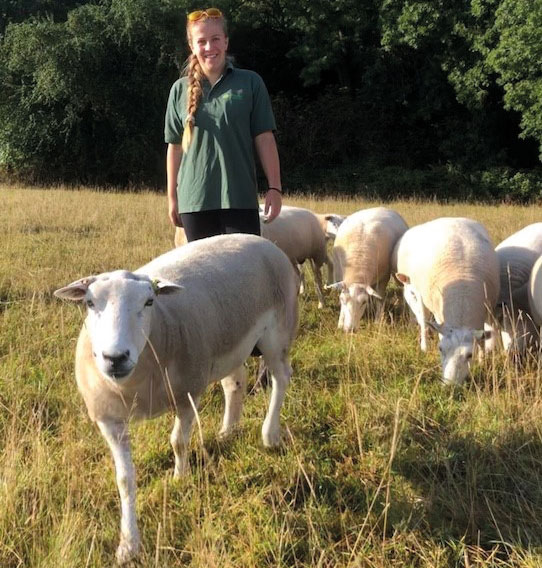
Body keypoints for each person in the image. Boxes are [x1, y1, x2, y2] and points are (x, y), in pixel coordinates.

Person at [164, 7, 282, 242]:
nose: (209, 47)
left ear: (226, 42)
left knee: (245, 275)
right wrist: (172, 198)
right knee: (201, 277)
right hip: (194, 203)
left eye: (215, 39)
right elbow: (174, 147)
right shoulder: (179, 90)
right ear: (192, 46)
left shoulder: (250, 83)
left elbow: (264, 138)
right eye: (202, 41)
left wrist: (275, 188)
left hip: (240, 199)